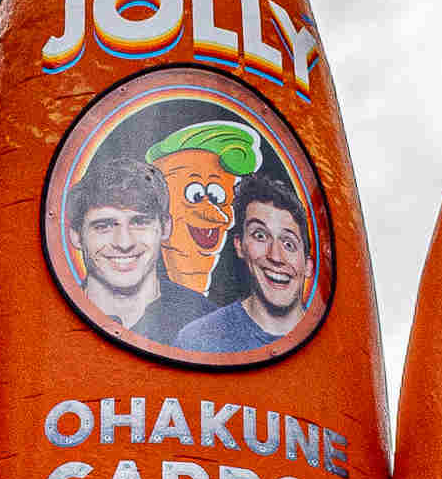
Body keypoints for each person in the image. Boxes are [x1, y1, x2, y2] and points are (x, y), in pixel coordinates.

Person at [172, 168, 317, 355]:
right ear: (240, 245)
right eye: (260, 235)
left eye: (288, 244)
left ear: (308, 266)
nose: (275, 256)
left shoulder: (334, 342)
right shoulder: (197, 342)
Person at [58, 151, 198, 345]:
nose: (124, 243)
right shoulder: (50, 321)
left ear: (166, 228)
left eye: (139, 222)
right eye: (104, 226)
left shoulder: (207, 323)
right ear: (76, 236)